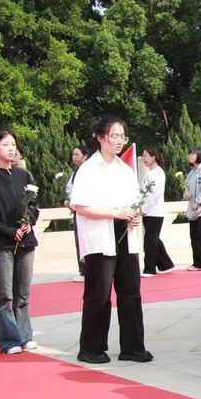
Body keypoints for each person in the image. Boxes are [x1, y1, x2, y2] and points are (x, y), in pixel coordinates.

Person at [70, 117, 153, 364]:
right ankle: (91, 348)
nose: (118, 141)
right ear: (100, 138)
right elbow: (80, 206)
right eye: (113, 136)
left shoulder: (125, 170)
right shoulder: (88, 169)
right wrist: (115, 213)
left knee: (131, 293)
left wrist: (135, 215)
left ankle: (133, 347)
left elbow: (136, 202)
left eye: (122, 136)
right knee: (99, 295)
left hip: (126, 235)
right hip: (100, 237)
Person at [0, 130, 39, 354]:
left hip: (26, 241)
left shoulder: (24, 175)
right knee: (4, 294)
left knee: (23, 293)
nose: (11, 148)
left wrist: (29, 222)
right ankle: (9, 340)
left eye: (13, 144)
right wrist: (9, 231)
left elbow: (33, 206)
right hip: (0, 243)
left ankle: (25, 335)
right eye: (5, 145)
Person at [139, 146, 175, 277]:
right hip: (148, 211)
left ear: (153, 157)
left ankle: (150, 268)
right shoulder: (150, 173)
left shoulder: (158, 173)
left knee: (150, 240)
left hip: (154, 211)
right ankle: (166, 264)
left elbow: (154, 195)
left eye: (145, 156)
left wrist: (143, 208)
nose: (143, 158)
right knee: (153, 239)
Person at [66, 145, 89, 282]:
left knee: (84, 240)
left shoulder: (86, 171)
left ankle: (85, 270)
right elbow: (70, 189)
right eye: (73, 155)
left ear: (85, 156)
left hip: (85, 211)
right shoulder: (77, 171)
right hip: (77, 210)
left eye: (77, 154)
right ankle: (83, 269)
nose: (74, 157)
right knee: (79, 240)